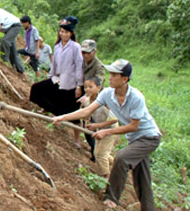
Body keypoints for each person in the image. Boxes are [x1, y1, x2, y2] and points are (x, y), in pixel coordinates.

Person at [53, 59, 161, 211]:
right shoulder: (107, 94)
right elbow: (86, 111)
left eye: (114, 75)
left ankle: (111, 198)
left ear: (125, 79)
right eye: (110, 74)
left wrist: (106, 131)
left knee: (122, 158)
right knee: (142, 178)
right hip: (135, 139)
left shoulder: (136, 97)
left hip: (149, 137)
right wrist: (62, 117)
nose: (109, 77)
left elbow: (134, 126)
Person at [29, 16, 83, 147]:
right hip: (58, 79)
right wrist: (50, 76)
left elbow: (79, 65)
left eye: (66, 32)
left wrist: (79, 85)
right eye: (61, 31)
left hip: (71, 82)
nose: (63, 34)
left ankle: (77, 139)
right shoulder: (57, 47)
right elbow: (54, 64)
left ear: (71, 33)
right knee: (37, 88)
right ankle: (52, 112)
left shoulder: (75, 47)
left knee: (74, 112)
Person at [81, 76, 118, 177]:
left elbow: (115, 119)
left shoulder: (105, 102)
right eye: (85, 87)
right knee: (100, 152)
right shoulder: (88, 101)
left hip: (111, 130)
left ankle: (105, 178)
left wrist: (97, 125)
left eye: (91, 87)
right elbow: (86, 114)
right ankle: (117, 163)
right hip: (100, 129)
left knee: (100, 155)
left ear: (98, 88)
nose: (87, 89)